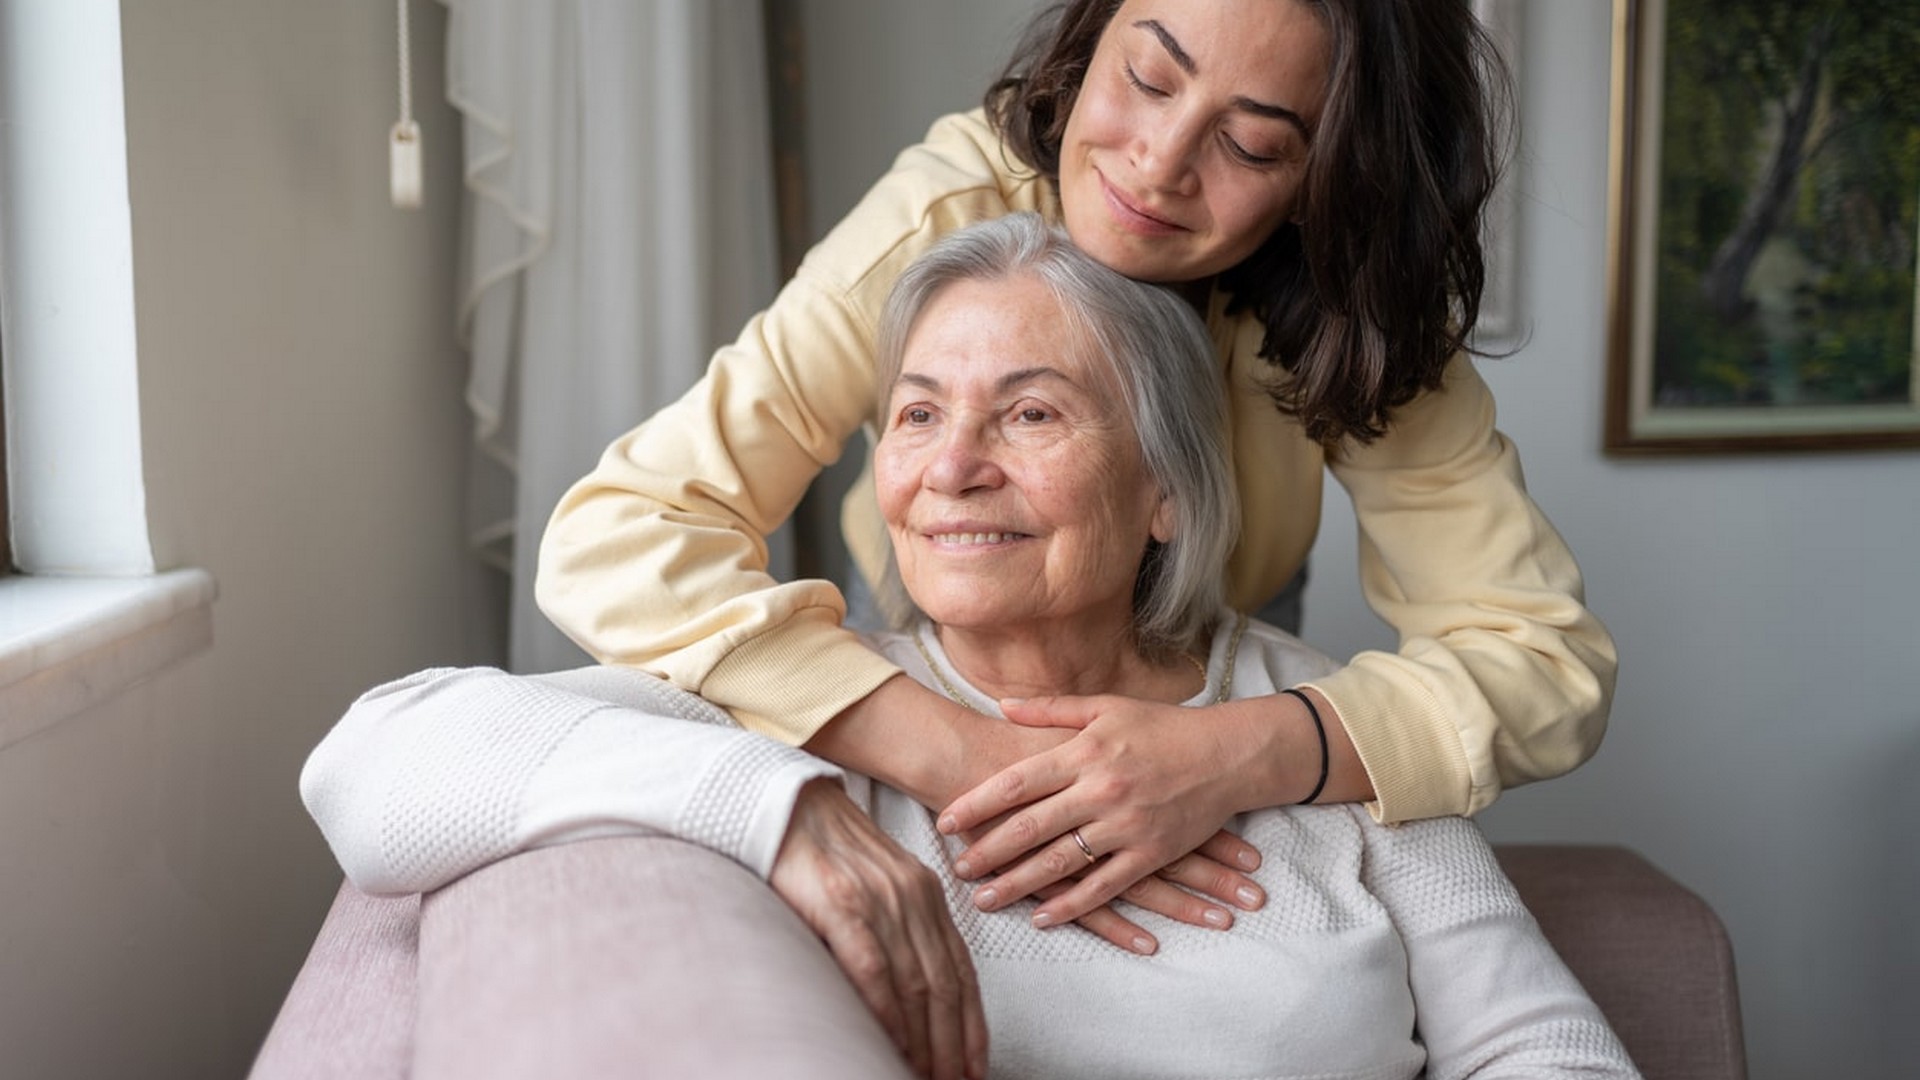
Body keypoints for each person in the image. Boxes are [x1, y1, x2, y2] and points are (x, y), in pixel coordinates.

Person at [305, 215, 1638, 1080]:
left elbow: (1541, 1042)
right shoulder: (808, 704)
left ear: (1167, 488)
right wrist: (784, 813)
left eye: (1033, 414)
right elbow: (370, 764)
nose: (953, 469)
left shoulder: (1317, 725)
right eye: (916, 414)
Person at [535, 0, 1616, 951]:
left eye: (1247, 145)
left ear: (1330, 178)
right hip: (933, 645)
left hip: (1221, 657)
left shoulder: (1361, 309)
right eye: (1147, 78)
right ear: (1094, 38)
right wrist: (958, 752)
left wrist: (1239, 751)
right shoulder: (944, 217)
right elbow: (621, 535)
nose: (1155, 165)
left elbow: (1544, 663)